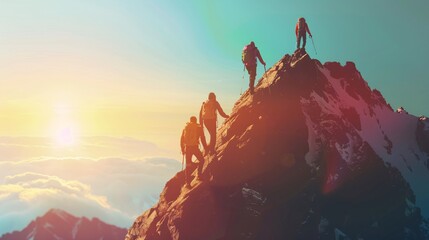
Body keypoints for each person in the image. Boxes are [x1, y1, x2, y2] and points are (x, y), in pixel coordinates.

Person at [180, 116, 207, 187]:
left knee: (188, 165)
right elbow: (202, 138)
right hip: (195, 148)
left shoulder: (186, 127)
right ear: (195, 120)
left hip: (187, 148)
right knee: (202, 160)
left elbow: (182, 139)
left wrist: (182, 149)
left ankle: (188, 183)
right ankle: (199, 175)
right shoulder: (198, 128)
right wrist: (206, 148)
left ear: (190, 120)